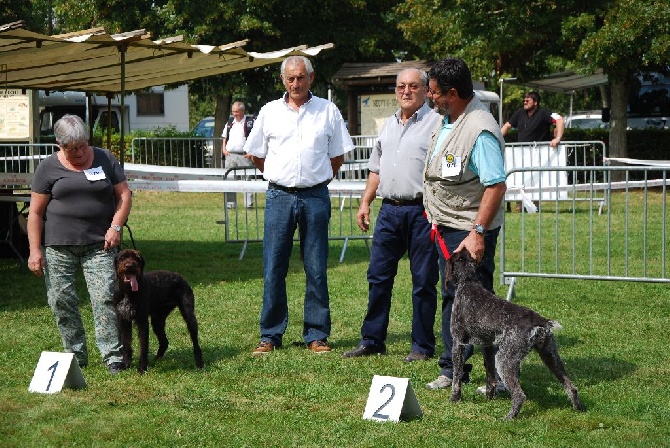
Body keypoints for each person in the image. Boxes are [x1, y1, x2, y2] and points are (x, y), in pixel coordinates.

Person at [243, 56, 353, 355]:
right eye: (290, 78)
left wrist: (317, 178)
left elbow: (338, 155)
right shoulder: (269, 112)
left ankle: (316, 334)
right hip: (279, 196)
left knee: (316, 267)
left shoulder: (327, 110)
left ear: (311, 78)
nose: (296, 83)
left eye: (301, 77)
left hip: (315, 196)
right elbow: (254, 153)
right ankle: (270, 335)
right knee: (273, 267)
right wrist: (277, 173)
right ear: (283, 80)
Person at [342, 68, 442, 362]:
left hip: (422, 211)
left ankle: (422, 346)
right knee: (378, 277)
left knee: (423, 281)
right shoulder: (388, 125)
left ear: (425, 90)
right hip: (389, 211)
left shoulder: (437, 124)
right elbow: (376, 169)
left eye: (413, 86)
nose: (406, 91)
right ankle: (372, 340)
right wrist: (365, 203)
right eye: (401, 86)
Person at [422, 58, 508, 394]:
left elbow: (496, 185)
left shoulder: (480, 128)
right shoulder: (449, 118)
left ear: (453, 93)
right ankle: (452, 369)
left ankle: (498, 377)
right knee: (453, 299)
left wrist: (477, 233)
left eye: (434, 93)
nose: (430, 98)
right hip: (446, 226)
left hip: (469, 230)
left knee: (479, 305)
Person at [27, 114, 132, 374]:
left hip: (100, 245)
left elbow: (124, 195)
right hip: (58, 246)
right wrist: (34, 250)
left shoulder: (105, 158)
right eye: (71, 148)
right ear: (59, 145)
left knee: (106, 297)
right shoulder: (47, 168)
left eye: (82, 146)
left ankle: (113, 356)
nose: (79, 152)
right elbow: (36, 213)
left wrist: (115, 226)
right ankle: (74, 354)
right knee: (61, 300)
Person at [501, 91, 564, 211]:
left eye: (527, 100)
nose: (524, 101)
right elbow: (507, 126)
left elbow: (560, 120)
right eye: (524, 99)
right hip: (521, 155)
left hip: (540, 155)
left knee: (537, 179)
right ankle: (519, 205)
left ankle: (535, 205)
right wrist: (496, 139)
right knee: (519, 179)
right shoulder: (519, 113)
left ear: (535, 102)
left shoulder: (544, 113)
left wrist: (558, 138)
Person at [222, 101, 256, 209]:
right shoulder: (229, 123)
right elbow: (224, 137)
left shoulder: (250, 122)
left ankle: (248, 204)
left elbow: (256, 139)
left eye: (236, 112)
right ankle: (230, 204)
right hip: (230, 155)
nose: (234, 114)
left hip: (244, 156)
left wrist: (252, 152)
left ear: (242, 111)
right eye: (233, 112)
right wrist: (224, 149)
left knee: (247, 179)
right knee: (230, 179)